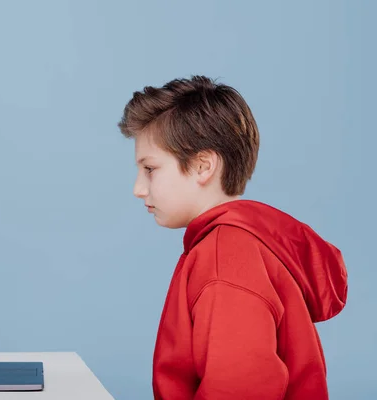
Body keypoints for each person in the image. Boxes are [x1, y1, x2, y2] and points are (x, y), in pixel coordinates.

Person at [117, 75, 348, 400]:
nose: (138, 188)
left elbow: (240, 388)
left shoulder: (225, 258)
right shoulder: (246, 245)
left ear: (202, 166)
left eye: (150, 169)